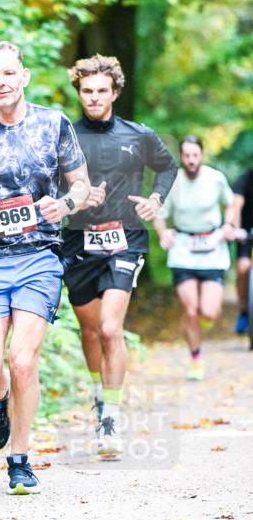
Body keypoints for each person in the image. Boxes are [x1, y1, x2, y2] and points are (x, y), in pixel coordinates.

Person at [0, 41, 90, 495]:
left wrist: (62, 205)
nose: (2, 82)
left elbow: (81, 185)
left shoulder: (53, 124)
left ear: (23, 76)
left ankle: (20, 461)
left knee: (22, 359)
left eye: (9, 73)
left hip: (39, 259)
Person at [61, 54, 178, 452]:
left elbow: (168, 166)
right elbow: (44, 184)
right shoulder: (65, 137)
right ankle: (98, 393)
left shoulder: (138, 135)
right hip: (78, 241)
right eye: (87, 91)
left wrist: (155, 200)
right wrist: (72, 199)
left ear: (115, 92)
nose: (94, 98)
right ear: (78, 91)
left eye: (101, 91)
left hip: (125, 238)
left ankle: (110, 418)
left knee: (111, 328)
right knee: (90, 329)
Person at [153, 136, 237, 379]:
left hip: (212, 247)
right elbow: (159, 213)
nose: (191, 160)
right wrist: (162, 232)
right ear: (181, 156)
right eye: (186, 156)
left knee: (208, 312)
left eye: (195, 155)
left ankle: (201, 326)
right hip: (183, 248)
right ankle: (196, 360)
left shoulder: (215, 178)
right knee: (191, 310)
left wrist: (228, 225)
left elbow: (230, 204)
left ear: (202, 155)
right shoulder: (173, 182)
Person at [232, 165, 253, 334]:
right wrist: (236, 229)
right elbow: (236, 205)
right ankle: (244, 311)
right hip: (246, 233)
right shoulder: (245, 178)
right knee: (243, 268)